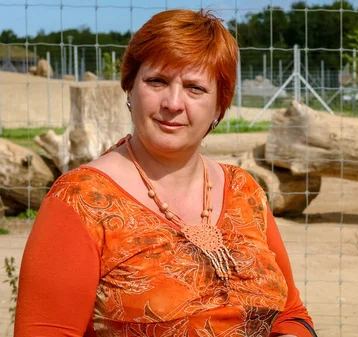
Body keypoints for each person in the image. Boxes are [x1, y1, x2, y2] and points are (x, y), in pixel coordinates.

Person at [15, 9, 316, 337]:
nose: (173, 102)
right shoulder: (80, 200)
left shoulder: (245, 190)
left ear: (219, 105)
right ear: (130, 87)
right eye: (157, 81)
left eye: (195, 88)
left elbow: (291, 312)